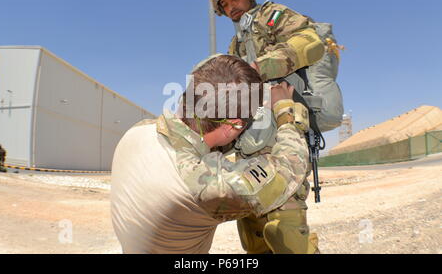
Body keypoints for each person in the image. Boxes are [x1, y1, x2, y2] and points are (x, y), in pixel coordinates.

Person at [110, 54, 311, 253]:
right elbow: (289, 168)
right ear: (233, 125)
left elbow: (201, 140)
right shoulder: (208, 188)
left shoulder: (138, 131)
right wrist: (285, 110)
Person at [209, 0, 324, 254]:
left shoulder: (273, 16)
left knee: (286, 233)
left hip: (283, 127)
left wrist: (261, 68)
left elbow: (311, 42)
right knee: (254, 235)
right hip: (250, 143)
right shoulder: (235, 44)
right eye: (224, 4)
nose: (231, 6)